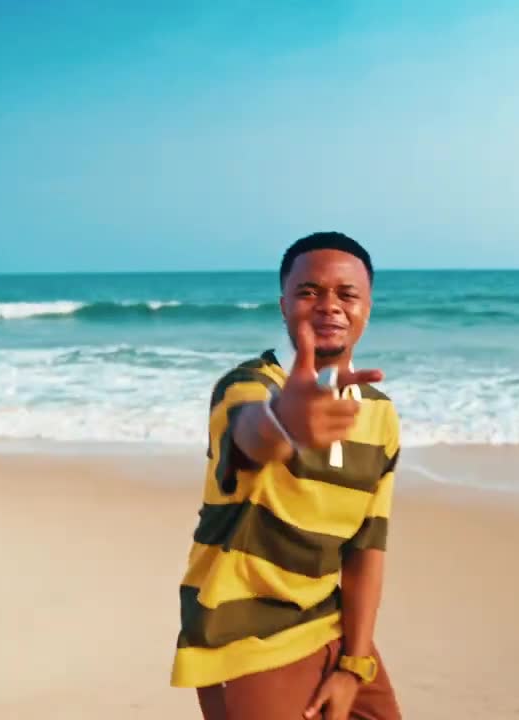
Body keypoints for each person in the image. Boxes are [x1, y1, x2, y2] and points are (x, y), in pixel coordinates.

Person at [170, 232, 402, 720]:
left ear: (367, 307)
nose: (329, 306)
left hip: (328, 622)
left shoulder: (379, 415)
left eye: (347, 294)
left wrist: (354, 663)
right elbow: (252, 435)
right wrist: (284, 421)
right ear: (283, 305)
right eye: (308, 292)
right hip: (242, 632)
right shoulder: (247, 387)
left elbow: (366, 548)